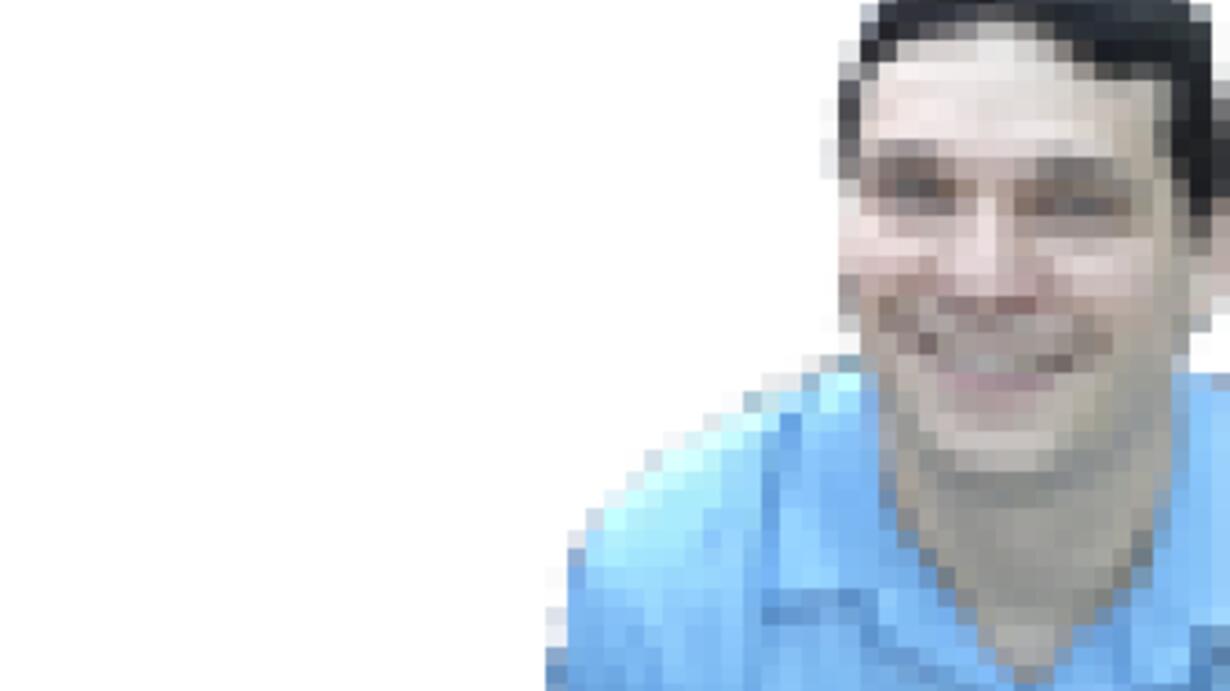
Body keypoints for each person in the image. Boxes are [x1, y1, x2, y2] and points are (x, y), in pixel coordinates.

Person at [550, 1, 1230, 688]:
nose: (984, 281)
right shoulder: (662, 597)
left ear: (1212, 254)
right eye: (918, 193)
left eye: (1076, 205)